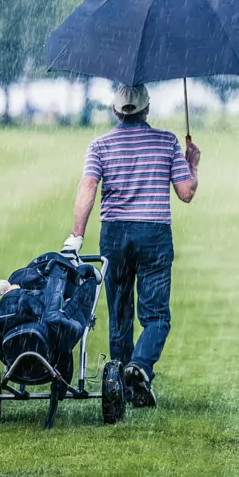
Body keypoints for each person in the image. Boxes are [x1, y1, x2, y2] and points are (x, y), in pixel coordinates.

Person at [63, 84, 200, 407]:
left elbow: (88, 187)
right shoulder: (167, 142)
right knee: (156, 317)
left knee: (119, 313)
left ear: (115, 111)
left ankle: (121, 385)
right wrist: (191, 162)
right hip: (154, 234)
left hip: (114, 235)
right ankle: (140, 366)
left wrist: (77, 235)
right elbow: (186, 193)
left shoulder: (100, 145)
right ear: (147, 109)